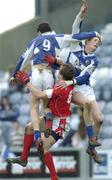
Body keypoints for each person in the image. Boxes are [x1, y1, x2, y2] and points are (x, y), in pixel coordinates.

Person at [9, 0, 89, 150]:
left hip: (37, 73)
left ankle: (38, 136)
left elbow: (23, 57)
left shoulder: (36, 40)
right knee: (46, 106)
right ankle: (48, 126)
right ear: (50, 30)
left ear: (39, 32)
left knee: (33, 108)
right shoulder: (56, 37)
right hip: (49, 74)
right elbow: (74, 37)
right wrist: (91, 32)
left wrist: (15, 74)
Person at [44, 30, 103, 163]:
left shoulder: (94, 59)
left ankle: (91, 148)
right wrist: (80, 16)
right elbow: (75, 30)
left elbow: (84, 77)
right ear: (87, 41)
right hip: (73, 88)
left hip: (83, 86)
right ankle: (92, 139)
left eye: (98, 43)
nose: (97, 44)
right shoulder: (73, 46)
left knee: (99, 119)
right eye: (95, 41)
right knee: (86, 104)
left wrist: (69, 80)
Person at [8, 64, 75, 180]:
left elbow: (39, 94)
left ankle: (54, 177)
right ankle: (23, 158)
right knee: (29, 127)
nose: (58, 72)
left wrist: (27, 81)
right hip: (54, 116)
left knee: (43, 148)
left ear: (62, 75)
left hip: (61, 122)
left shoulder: (61, 88)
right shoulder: (64, 84)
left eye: (60, 71)